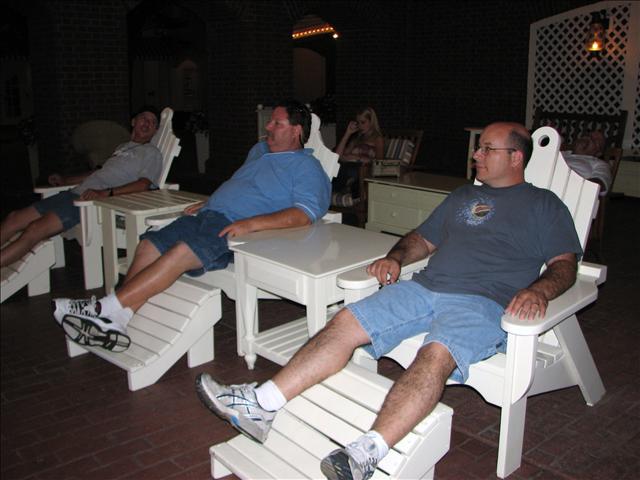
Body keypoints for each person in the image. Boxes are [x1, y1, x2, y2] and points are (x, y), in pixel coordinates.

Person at [194, 122, 583, 480]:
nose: (475, 155)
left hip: (482, 303)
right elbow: (423, 239)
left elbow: (565, 265)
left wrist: (538, 291)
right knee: (345, 322)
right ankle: (261, 404)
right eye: (478, 147)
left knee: (435, 354)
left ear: (515, 157)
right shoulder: (463, 196)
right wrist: (396, 257)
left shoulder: (544, 205)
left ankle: (367, 453)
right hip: (424, 287)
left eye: (486, 149)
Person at [52, 100, 331, 353]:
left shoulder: (307, 167)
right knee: (148, 244)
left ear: (296, 131)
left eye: (277, 123)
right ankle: (118, 318)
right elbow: (243, 184)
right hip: (208, 214)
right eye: (270, 122)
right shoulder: (259, 151)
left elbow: (305, 214)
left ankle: (102, 307)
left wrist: (250, 223)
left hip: (237, 230)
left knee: (182, 251)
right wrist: (213, 200)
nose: (267, 127)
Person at [1, 107, 163, 268]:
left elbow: (143, 185)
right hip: (73, 193)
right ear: (134, 122)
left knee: (35, 229)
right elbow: (99, 173)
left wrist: (106, 193)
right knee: (13, 218)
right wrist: (65, 180)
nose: (147, 123)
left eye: (153, 122)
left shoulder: (151, 153)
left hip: (88, 203)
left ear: (155, 130)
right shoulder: (122, 147)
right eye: (144, 118)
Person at [332, 107, 384, 206]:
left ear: (371, 122)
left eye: (363, 122)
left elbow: (379, 162)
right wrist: (348, 133)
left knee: (344, 169)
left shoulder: (377, 139)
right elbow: (337, 156)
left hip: (364, 169)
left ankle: (337, 187)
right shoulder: (357, 139)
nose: (360, 126)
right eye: (358, 123)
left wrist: (357, 158)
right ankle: (345, 186)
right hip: (348, 167)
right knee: (336, 166)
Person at [561, 130, 612, 196]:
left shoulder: (600, 164)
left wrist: (572, 187)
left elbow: (599, 184)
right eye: (588, 136)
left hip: (568, 192)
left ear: (599, 153)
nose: (589, 139)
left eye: (595, 140)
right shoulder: (559, 152)